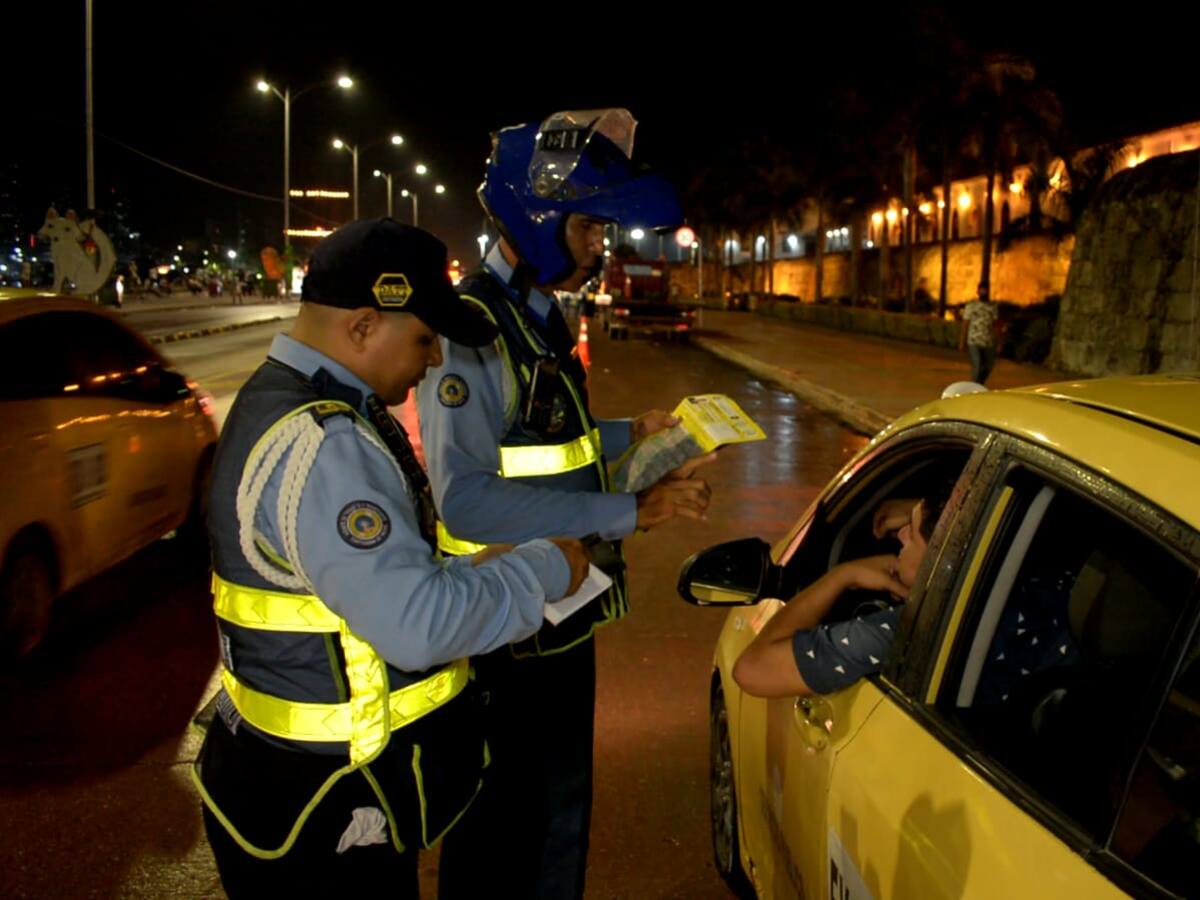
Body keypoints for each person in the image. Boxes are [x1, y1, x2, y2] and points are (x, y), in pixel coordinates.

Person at [193, 218, 592, 899]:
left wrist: (470, 570)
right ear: (362, 326)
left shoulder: (275, 398)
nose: (435, 360)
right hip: (329, 819)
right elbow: (418, 625)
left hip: (286, 787)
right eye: (424, 338)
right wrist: (546, 569)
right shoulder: (327, 443)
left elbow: (351, 589)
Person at [417, 109, 713, 898]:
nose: (598, 246)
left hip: (559, 615)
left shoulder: (537, 320)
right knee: (501, 832)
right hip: (502, 631)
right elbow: (465, 501)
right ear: (537, 220)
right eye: (587, 227)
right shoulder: (474, 330)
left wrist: (631, 433)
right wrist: (630, 513)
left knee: (556, 820)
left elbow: (546, 434)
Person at [732, 492, 947, 698]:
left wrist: (842, 576)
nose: (901, 534)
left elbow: (752, 670)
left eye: (913, 533)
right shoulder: (954, 616)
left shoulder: (896, 631)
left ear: (937, 556)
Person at [959, 283, 1000, 386]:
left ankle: (979, 384)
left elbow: (995, 325)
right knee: (977, 366)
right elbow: (965, 324)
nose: (983, 292)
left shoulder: (992, 307)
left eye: (985, 290)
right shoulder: (971, 306)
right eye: (981, 290)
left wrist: (999, 342)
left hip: (988, 342)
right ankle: (973, 387)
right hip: (974, 341)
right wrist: (962, 342)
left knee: (988, 366)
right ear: (978, 291)